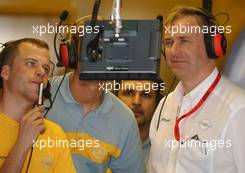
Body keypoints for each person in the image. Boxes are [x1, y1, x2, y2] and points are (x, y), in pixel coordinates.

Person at [148, 6, 245, 173]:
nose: (174, 51)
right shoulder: (164, 106)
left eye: (184, 40)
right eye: (168, 42)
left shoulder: (242, 110)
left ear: (212, 45)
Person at [45, 37, 145, 172]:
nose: (99, 56)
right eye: (91, 48)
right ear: (71, 54)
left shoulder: (124, 119)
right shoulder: (42, 93)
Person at [0, 38, 76, 173]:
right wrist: (22, 145)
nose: (41, 72)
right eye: (31, 63)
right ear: (6, 72)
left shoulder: (55, 134)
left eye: (46, 68)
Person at [117, 80, 163, 169]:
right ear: (115, 99)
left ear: (157, 103)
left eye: (146, 95)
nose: (137, 102)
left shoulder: (167, 149)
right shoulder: (96, 141)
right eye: (128, 93)